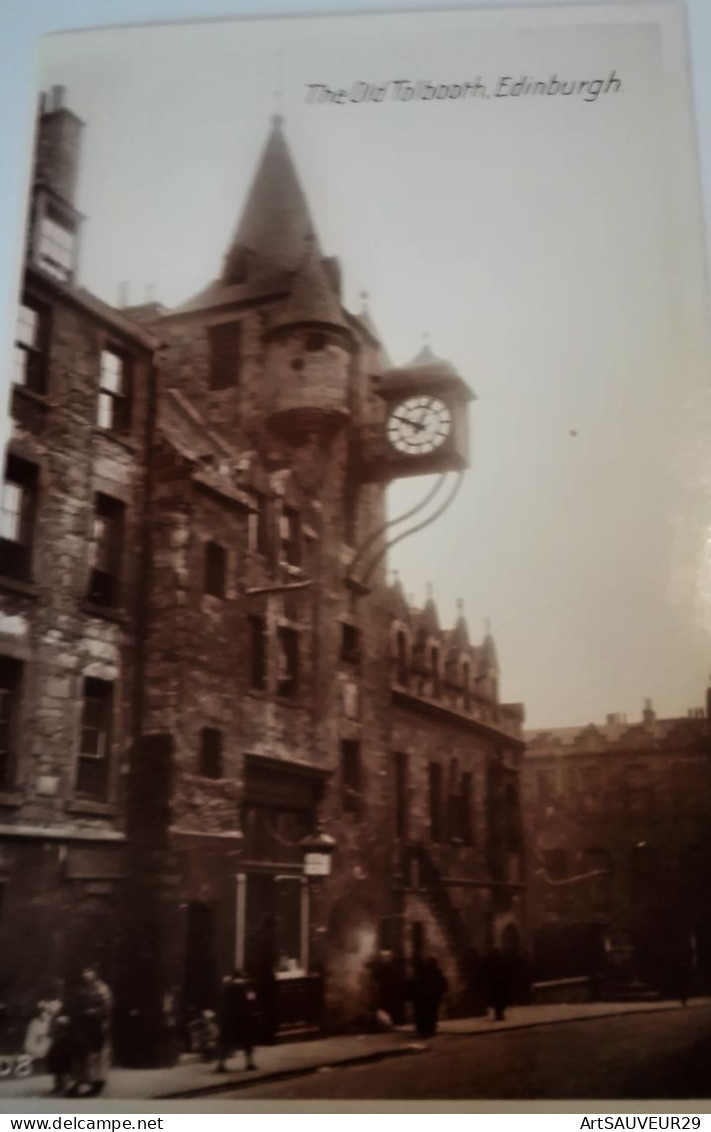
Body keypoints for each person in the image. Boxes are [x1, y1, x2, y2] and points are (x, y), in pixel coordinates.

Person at [70, 965, 113, 1097]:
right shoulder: (85, 989)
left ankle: (98, 1083)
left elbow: (107, 1007)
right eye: (84, 971)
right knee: (89, 1054)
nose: (86, 974)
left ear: (95, 973)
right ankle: (88, 1081)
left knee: (98, 1053)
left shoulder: (102, 989)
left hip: (99, 1024)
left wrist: (93, 1012)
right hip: (86, 1025)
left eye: (88, 971)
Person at [215, 971, 259, 1072]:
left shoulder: (227, 987)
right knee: (247, 1042)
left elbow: (223, 1002)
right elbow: (251, 999)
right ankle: (250, 1063)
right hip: (243, 1018)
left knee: (225, 1042)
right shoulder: (245, 987)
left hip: (229, 1018)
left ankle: (220, 1065)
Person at [410, 956, 448, 1039]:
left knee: (423, 1014)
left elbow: (417, 984)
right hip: (431, 998)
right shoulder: (436, 972)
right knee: (431, 1015)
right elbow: (442, 984)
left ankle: (423, 1030)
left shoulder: (422, 972)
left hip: (424, 998)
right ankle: (429, 1030)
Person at [484, 947, 512, 1022]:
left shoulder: (489, 959)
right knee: (501, 998)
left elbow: (486, 971)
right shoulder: (503, 959)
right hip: (502, 982)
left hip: (494, 982)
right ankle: (500, 1013)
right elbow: (507, 970)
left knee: (495, 998)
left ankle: (498, 1013)